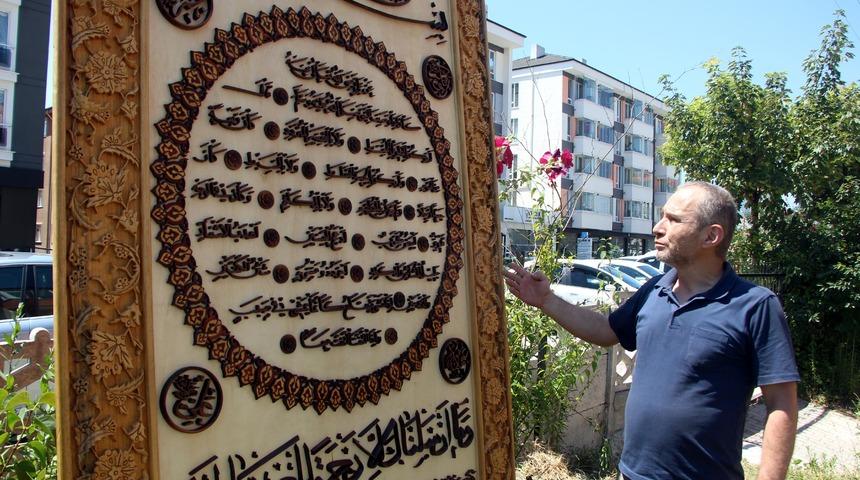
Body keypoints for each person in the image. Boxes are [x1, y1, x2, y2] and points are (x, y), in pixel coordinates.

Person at [504, 182, 799, 480]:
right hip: (632, 474)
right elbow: (607, 330)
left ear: (711, 235)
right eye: (662, 217)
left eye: (673, 220)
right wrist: (547, 300)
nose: (658, 228)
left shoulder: (755, 306)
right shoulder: (655, 289)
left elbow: (781, 404)